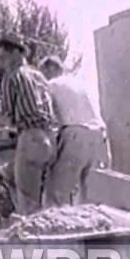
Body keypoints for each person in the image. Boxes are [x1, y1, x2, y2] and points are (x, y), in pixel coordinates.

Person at [0, 35, 58, 216]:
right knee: (10, 174)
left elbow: (8, 118)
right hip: (50, 139)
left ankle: (32, 232)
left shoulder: (12, 76)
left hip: (30, 137)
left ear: (15, 53)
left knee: (28, 201)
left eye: (2, 58)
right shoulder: (38, 76)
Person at [39, 55, 112, 205]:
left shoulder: (52, 85)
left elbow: (46, 115)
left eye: (43, 72)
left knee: (57, 194)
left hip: (75, 134)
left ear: (49, 69)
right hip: (100, 136)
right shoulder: (80, 84)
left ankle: (58, 228)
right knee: (93, 199)